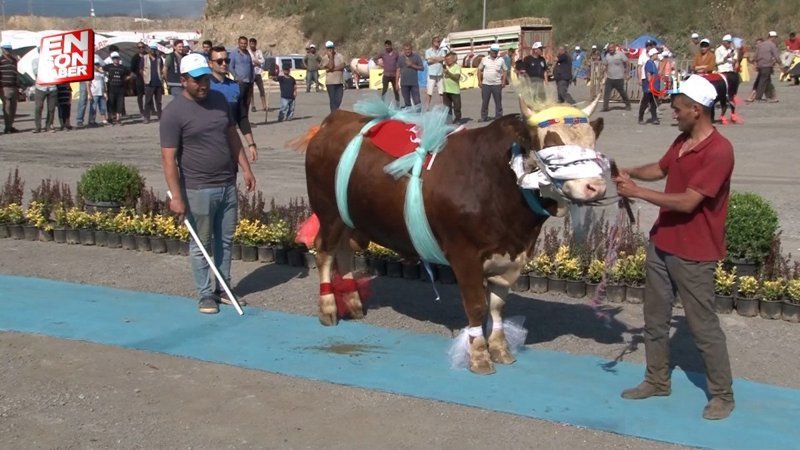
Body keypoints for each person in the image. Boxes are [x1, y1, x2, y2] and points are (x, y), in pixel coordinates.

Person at [614, 74, 735, 421]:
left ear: (696, 110)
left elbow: (688, 202)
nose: (674, 113)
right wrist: (630, 171)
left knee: (703, 327)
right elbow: (660, 168)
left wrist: (636, 192)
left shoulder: (719, 151)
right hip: (662, 243)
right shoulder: (682, 140)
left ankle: (723, 396)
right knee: (655, 318)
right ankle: (656, 380)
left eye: (678, 108)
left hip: (695, 252)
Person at [159, 53, 257, 314]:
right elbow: (168, 159)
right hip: (197, 188)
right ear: (183, 80)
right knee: (201, 244)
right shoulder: (173, 113)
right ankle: (205, 294)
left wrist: (246, 168)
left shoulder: (220, 100)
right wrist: (177, 197)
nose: (204, 84)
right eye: (197, 80)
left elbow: (232, 136)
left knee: (225, 240)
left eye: (205, 78)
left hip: (227, 183)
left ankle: (222, 288)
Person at [208, 46, 258, 162]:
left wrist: (251, 144)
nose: (224, 64)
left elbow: (242, 117)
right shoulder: (204, 87)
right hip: (208, 145)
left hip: (230, 143)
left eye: (227, 61)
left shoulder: (235, 87)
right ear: (210, 64)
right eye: (220, 61)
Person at [477, 44, 507, 121]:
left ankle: (499, 117)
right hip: (486, 84)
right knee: (485, 102)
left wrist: (503, 81)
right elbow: (479, 70)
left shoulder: (501, 60)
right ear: (490, 51)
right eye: (493, 51)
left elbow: (505, 70)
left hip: (497, 84)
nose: (495, 53)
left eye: (496, 51)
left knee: (498, 102)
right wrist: (479, 81)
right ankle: (484, 117)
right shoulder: (484, 59)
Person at [230, 36, 255, 120]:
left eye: (245, 43)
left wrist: (252, 79)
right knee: (239, 103)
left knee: (247, 103)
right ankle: (237, 121)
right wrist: (236, 77)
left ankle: (245, 121)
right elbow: (230, 67)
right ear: (238, 43)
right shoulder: (234, 53)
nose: (243, 45)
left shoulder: (248, 53)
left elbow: (251, 66)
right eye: (242, 43)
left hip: (249, 82)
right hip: (239, 83)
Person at [601, 43, 632, 111]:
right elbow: (605, 65)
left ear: (615, 48)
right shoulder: (607, 56)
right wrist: (603, 73)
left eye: (612, 48)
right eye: (609, 48)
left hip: (619, 78)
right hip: (610, 78)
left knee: (622, 92)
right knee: (606, 93)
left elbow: (627, 62)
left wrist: (627, 73)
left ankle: (628, 105)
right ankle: (605, 107)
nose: (611, 49)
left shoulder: (620, 54)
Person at [104, 52, 131, 125]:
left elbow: (131, 74)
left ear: (119, 59)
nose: (115, 60)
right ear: (112, 59)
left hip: (120, 88)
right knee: (111, 103)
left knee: (120, 103)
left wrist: (125, 79)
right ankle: (110, 118)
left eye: (117, 58)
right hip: (111, 88)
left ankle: (118, 119)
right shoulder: (108, 66)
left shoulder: (123, 67)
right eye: (114, 58)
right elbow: (101, 69)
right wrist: (103, 75)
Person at [753, 31, 780, 102]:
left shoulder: (761, 45)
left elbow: (755, 56)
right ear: (772, 37)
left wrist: (756, 63)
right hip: (767, 65)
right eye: (775, 37)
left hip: (760, 65)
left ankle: (770, 97)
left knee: (767, 81)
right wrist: (780, 63)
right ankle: (758, 97)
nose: (775, 39)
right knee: (763, 81)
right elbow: (776, 56)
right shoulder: (772, 45)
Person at [0, 41, 20, 134]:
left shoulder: (14, 60)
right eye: (6, 49)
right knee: (6, 107)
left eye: (9, 49)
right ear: (2, 50)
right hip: (4, 87)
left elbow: (16, 73)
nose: (8, 51)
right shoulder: (1, 60)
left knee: (13, 108)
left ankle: (10, 126)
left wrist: (18, 85)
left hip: (14, 87)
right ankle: (7, 128)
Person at [396, 42, 423, 108]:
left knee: (417, 102)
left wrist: (411, 65)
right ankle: (409, 117)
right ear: (403, 50)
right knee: (407, 103)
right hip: (404, 84)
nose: (407, 51)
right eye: (405, 49)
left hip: (414, 83)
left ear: (411, 49)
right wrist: (396, 83)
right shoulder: (400, 58)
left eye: (409, 49)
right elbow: (398, 70)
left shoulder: (416, 57)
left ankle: (419, 116)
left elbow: (422, 68)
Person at [143, 42, 164, 123]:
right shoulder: (145, 58)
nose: (153, 51)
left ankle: (160, 116)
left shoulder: (159, 59)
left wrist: (162, 79)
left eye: (154, 49)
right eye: (152, 49)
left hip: (158, 82)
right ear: (149, 50)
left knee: (158, 101)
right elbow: (141, 69)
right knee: (148, 101)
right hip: (149, 82)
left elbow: (161, 69)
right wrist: (144, 78)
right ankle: (146, 117)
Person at [424, 35, 447, 107]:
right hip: (431, 74)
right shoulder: (428, 51)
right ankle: (427, 106)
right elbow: (428, 61)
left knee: (441, 91)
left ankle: (443, 105)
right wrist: (438, 59)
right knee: (429, 91)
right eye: (437, 41)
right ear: (433, 42)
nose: (439, 43)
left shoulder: (442, 50)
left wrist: (434, 59)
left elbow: (443, 58)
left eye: (439, 41)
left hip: (440, 73)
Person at [322, 41, 345, 111]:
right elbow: (330, 66)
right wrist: (331, 57)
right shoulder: (325, 58)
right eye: (328, 48)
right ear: (326, 49)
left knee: (339, 99)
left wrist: (332, 70)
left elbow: (342, 66)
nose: (330, 49)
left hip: (339, 81)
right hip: (330, 82)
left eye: (331, 48)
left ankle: (335, 111)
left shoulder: (339, 56)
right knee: (333, 100)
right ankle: (333, 114)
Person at [639, 48, 660, 125]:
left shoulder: (654, 63)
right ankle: (640, 118)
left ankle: (654, 118)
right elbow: (649, 75)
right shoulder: (649, 63)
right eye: (656, 54)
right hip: (649, 87)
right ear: (653, 55)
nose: (657, 55)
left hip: (655, 87)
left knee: (653, 103)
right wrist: (650, 85)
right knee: (645, 103)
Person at [442, 51, 462, 124]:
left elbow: (457, 77)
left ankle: (458, 119)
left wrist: (448, 73)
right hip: (446, 90)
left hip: (455, 91)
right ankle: (449, 120)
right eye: (446, 59)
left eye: (449, 59)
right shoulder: (444, 66)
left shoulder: (457, 67)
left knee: (457, 107)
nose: (447, 61)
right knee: (447, 107)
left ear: (453, 59)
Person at [248, 38, 268, 113]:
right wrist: (256, 62)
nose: (252, 45)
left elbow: (262, 61)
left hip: (258, 73)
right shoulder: (248, 52)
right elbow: (249, 62)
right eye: (251, 43)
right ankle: (253, 105)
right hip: (250, 73)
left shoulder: (259, 51)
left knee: (261, 89)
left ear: (255, 44)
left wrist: (257, 62)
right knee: (251, 91)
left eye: (253, 43)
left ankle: (264, 105)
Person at [130, 41, 148, 117]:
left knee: (149, 94)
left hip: (148, 77)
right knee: (140, 95)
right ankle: (141, 110)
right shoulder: (135, 57)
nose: (141, 49)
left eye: (142, 47)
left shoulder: (147, 55)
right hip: (139, 78)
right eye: (139, 47)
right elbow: (132, 69)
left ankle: (150, 109)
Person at [88, 61, 108, 126]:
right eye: (96, 65)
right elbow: (88, 84)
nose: (97, 66)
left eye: (98, 65)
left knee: (103, 107)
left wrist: (105, 92)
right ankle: (91, 121)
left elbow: (104, 83)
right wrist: (89, 93)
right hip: (94, 93)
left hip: (101, 92)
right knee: (93, 107)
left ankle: (104, 120)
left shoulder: (101, 74)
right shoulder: (90, 73)